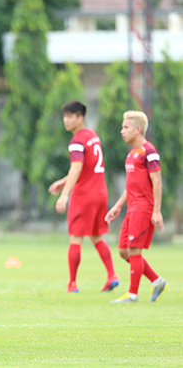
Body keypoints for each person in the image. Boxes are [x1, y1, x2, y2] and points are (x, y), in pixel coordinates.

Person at [48, 101, 119, 293]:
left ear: (81, 118)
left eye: (71, 116)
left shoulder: (77, 141)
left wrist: (64, 195)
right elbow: (86, 167)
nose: (66, 120)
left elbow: (77, 166)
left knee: (76, 237)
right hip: (100, 193)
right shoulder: (92, 136)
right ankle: (112, 275)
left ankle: (72, 284)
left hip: (84, 195)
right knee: (97, 236)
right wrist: (65, 181)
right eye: (65, 116)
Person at [105, 110, 168, 303]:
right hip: (131, 208)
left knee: (134, 251)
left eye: (126, 127)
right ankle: (157, 281)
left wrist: (156, 210)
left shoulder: (149, 152)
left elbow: (157, 181)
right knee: (124, 251)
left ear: (138, 130)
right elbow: (130, 186)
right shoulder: (132, 154)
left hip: (144, 207)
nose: (122, 131)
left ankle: (132, 294)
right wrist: (117, 207)